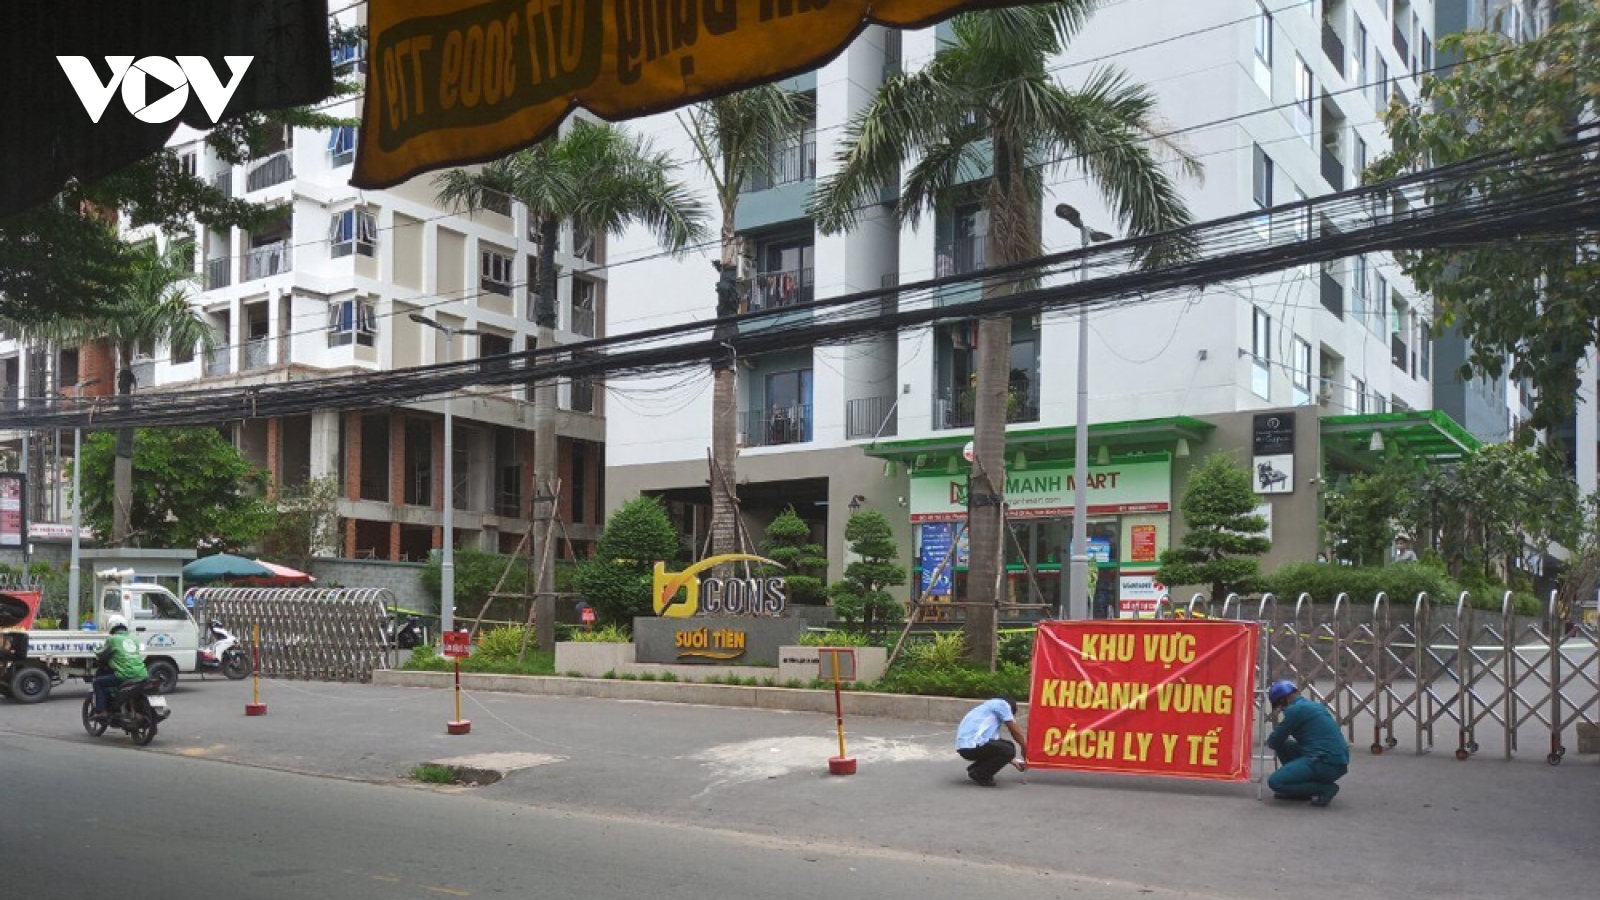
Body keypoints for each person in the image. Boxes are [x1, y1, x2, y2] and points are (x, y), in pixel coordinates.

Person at [1265, 680, 1349, 807]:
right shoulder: (1312, 705)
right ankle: (1301, 789)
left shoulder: (1294, 711)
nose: (1280, 709)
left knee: (1275, 782)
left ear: (1283, 700)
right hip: (1336, 760)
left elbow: (1274, 741)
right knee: (1285, 745)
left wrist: (1280, 726)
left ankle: (1325, 789)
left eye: (1279, 705)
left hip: (1324, 762)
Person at [956, 695, 1027, 787]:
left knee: (1004, 746)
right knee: (1009, 748)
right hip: (972, 745)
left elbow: (995, 746)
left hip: (964, 748)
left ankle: (977, 769)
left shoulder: (986, 709)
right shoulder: (1002, 704)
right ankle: (981, 774)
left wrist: (1013, 761)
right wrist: (1024, 747)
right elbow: (1015, 731)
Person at [92, 616, 148, 721]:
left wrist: (95, 649)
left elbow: (101, 653)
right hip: (142, 674)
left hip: (124, 675)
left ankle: (102, 711)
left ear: (111, 627)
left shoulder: (112, 639)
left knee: (97, 682)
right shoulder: (134, 639)